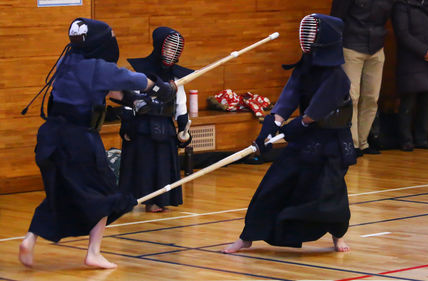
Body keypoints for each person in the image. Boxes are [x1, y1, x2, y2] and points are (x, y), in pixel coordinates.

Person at [18, 18, 176, 269]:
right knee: (106, 193)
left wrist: (133, 100)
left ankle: (29, 239)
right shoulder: (100, 68)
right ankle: (93, 252)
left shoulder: (67, 61)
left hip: (49, 138)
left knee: (60, 191)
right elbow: (136, 80)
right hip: (78, 141)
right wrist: (161, 88)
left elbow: (109, 90)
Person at [223, 14, 356, 254]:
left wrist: (297, 126)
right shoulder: (305, 67)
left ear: (324, 39)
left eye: (312, 33)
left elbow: (314, 112)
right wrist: (271, 124)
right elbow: (290, 95)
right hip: (305, 137)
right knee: (274, 183)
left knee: (329, 192)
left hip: (330, 142)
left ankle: (338, 235)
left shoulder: (338, 77)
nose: (306, 38)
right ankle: (247, 237)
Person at [118, 27, 193, 213]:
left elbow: (181, 107)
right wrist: (127, 126)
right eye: (168, 48)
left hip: (165, 129)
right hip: (141, 128)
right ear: (159, 46)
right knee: (143, 165)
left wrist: (184, 129)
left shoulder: (177, 79)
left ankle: (158, 201)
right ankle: (134, 200)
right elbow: (128, 102)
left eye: (175, 50)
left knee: (162, 166)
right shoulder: (140, 74)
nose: (171, 53)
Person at [331, 0, 394, 157]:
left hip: (377, 47)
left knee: (372, 97)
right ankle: (352, 143)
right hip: (351, 47)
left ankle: (363, 141)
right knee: (352, 97)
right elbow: (337, 18)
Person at [392, 0, 428, 151]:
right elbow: (402, 33)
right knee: (409, 98)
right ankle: (405, 139)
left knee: (427, 98)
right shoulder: (401, 5)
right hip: (411, 57)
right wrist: (423, 51)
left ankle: (422, 138)